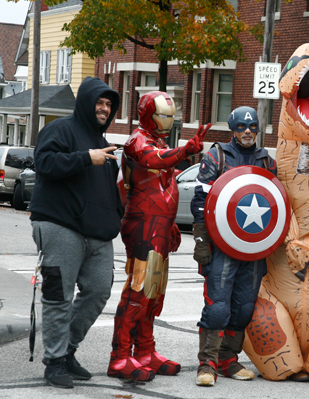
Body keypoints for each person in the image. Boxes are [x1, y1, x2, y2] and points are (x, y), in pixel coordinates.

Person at [107, 91, 210, 381]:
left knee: (154, 292)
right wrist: (185, 151)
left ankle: (145, 351)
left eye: (170, 116)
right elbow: (157, 160)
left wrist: (171, 222)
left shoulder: (159, 141)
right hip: (143, 223)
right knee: (139, 290)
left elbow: (164, 184)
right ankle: (120, 355)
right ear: (147, 114)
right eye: (162, 115)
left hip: (159, 223)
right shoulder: (137, 142)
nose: (167, 121)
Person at [29, 77, 122, 389]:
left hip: (97, 234)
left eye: (109, 105)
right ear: (86, 102)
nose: (105, 108)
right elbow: (43, 163)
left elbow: (109, 191)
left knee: (98, 290)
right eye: (100, 102)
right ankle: (54, 363)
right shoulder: (61, 129)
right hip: (58, 226)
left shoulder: (103, 142)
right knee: (58, 296)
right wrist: (86, 157)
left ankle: (66, 351)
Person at [191, 106, 277, 387]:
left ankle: (228, 359)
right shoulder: (218, 155)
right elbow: (200, 202)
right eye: (242, 127)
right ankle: (208, 363)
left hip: (253, 249)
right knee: (218, 307)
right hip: (221, 247)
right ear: (233, 129)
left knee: (244, 308)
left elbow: (275, 204)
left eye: (253, 127)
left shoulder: (266, 161)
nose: (248, 132)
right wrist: (202, 242)